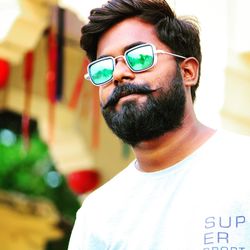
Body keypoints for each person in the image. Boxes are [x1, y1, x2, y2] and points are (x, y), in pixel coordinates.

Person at [68, 0, 250, 249]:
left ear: (187, 72)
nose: (118, 74)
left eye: (140, 57)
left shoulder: (243, 167)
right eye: (103, 69)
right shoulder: (98, 215)